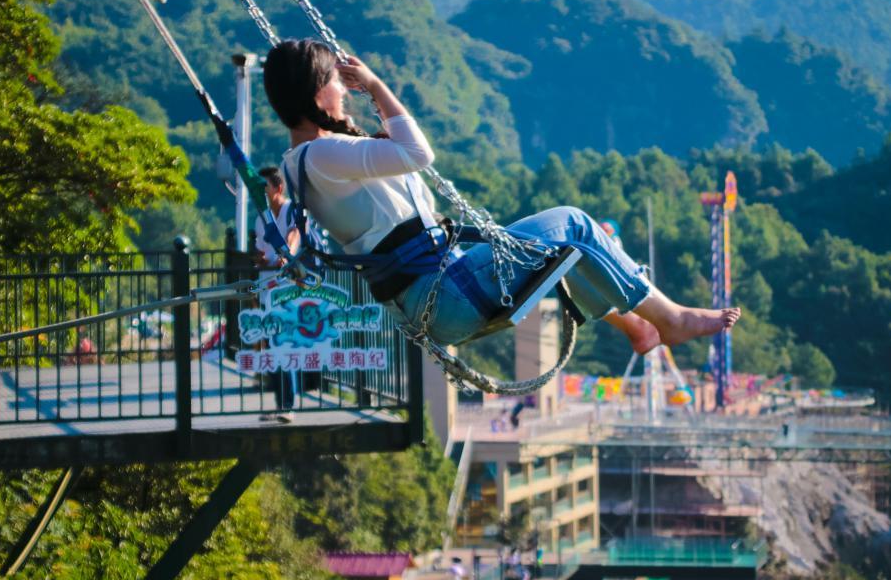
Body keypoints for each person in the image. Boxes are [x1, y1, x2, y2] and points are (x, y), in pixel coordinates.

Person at [262, 39, 740, 357]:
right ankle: (670, 319)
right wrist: (376, 85)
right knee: (573, 224)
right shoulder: (324, 153)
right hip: (444, 294)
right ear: (317, 92)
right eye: (336, 83)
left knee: (562, 248)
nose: (343, 91)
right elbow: (417, 152)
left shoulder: (298, 162)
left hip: (434, 295)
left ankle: (638, 326)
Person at [253, 166, 301, 423]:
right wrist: (260, 259)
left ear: (278, 188)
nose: (261, 192)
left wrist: (287, 255)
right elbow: (261, 251)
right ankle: (280, 404)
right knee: (271, 348)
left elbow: (295, 234)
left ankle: (288, 405)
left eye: (265, 187)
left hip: (287, 289)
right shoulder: (260, 219)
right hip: (267, 288)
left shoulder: (291, 210)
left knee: (283, 344)